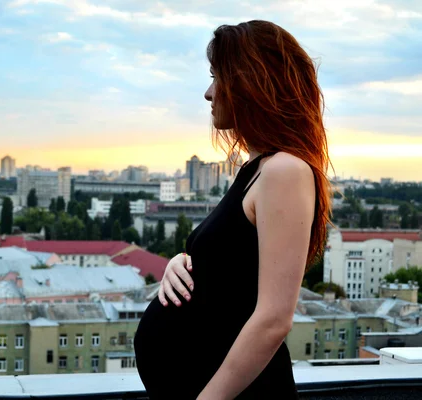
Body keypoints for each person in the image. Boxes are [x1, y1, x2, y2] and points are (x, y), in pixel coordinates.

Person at [134, 20, 332, 399]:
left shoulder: (285, 171)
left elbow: (274, 319)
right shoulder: (256, 170)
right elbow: (236, 268)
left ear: (250, 82)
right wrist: (186, 263)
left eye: (216, 77)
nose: (208, 94)